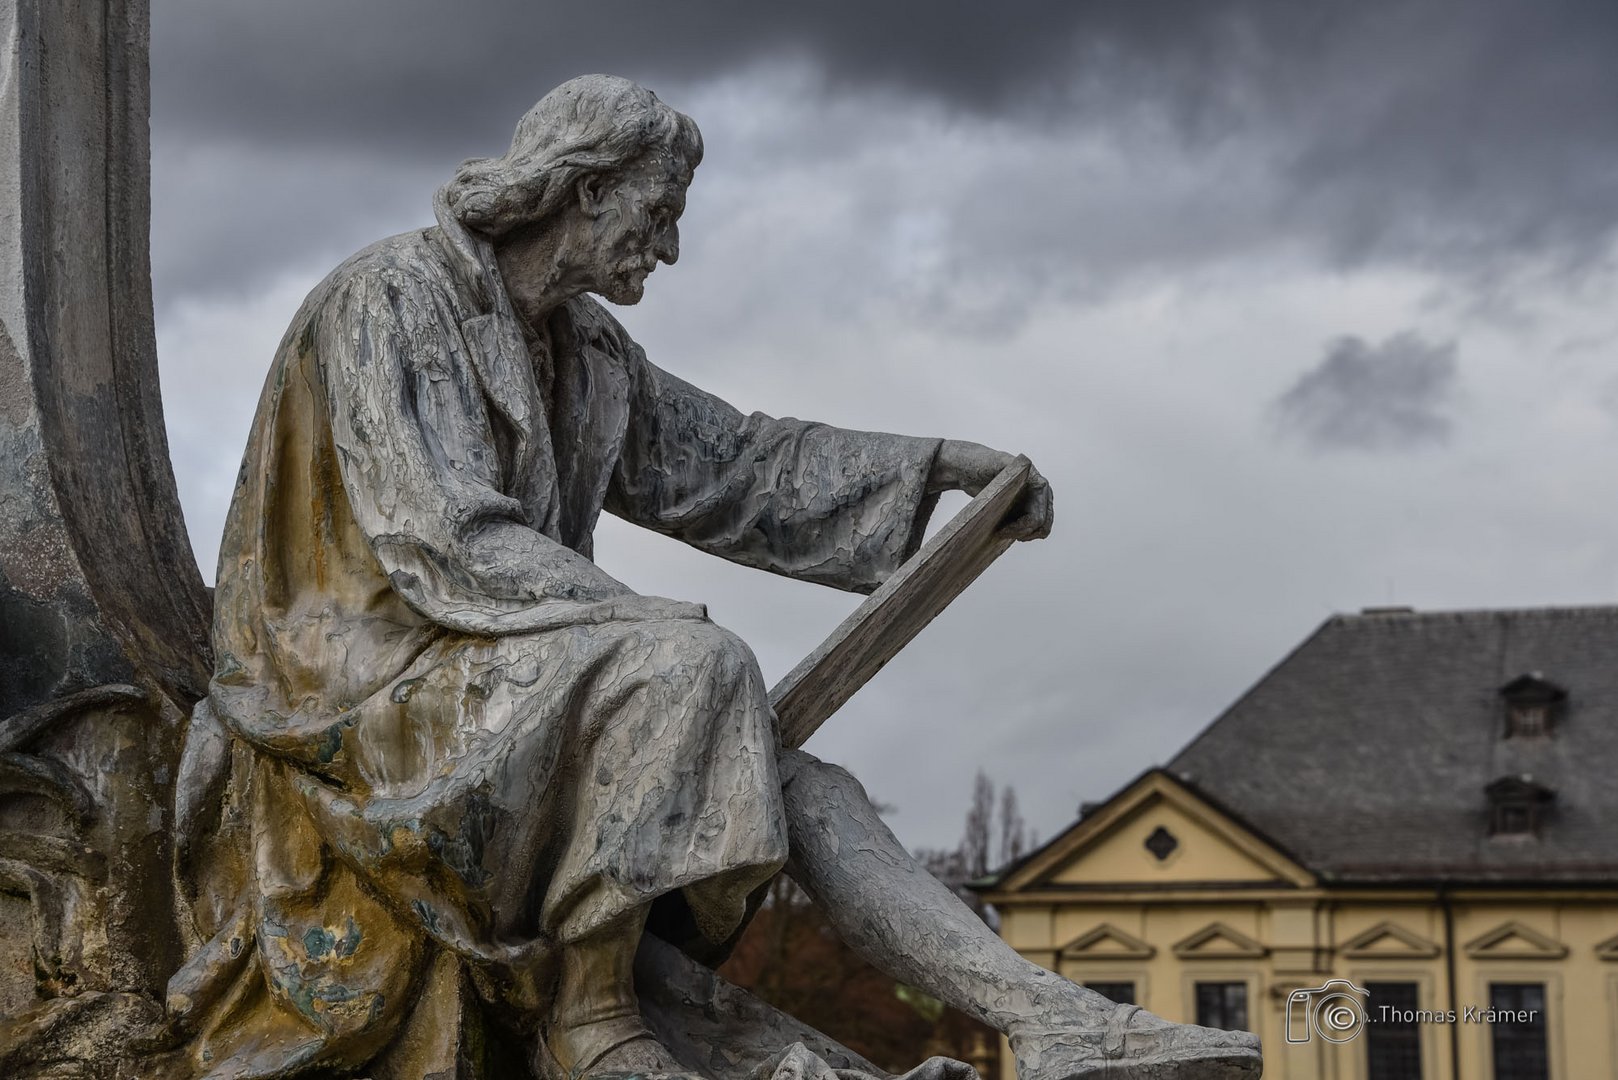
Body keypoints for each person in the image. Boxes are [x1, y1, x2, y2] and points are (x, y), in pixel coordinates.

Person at [168, 74, 1260, 1080]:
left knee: (795, 777)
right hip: (349, 694)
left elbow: (730, 466)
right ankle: (593, 1024)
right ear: (586, 190)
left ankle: (1049, 1021)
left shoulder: (585, 349)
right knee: (691, 669)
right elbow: (442, 535)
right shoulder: (392, 298)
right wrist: (644, 637)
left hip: (496, 674)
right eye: (659, 211)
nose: (670, 247)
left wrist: (934, 474)